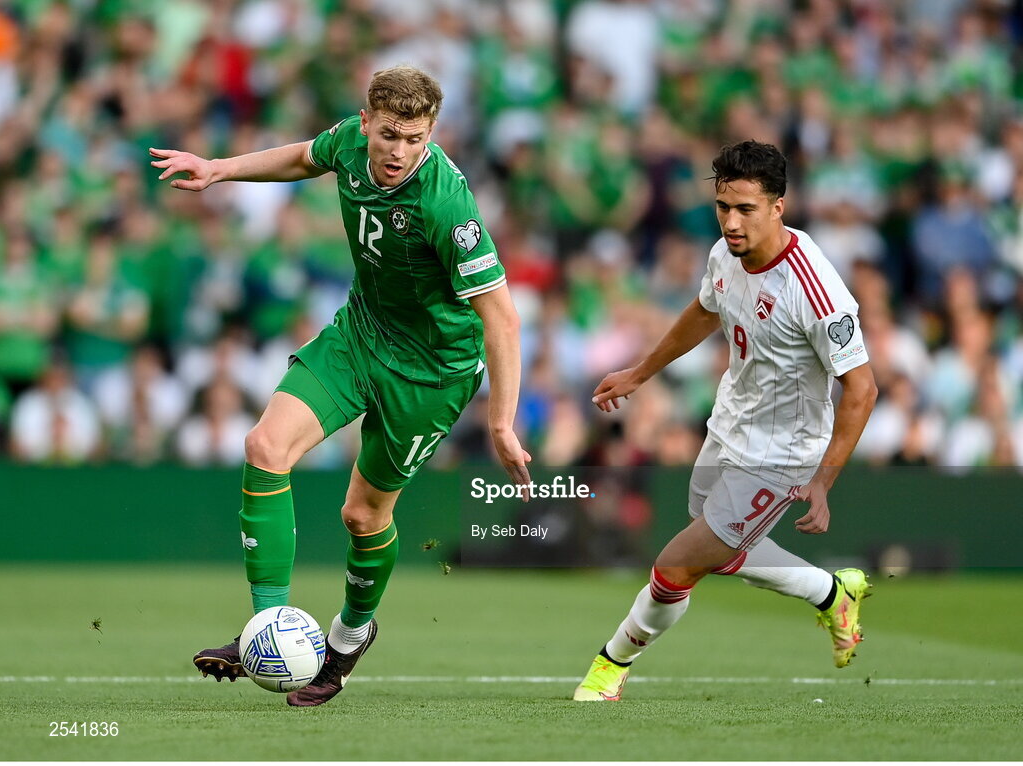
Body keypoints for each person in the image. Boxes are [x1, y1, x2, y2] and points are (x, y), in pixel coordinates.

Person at [151, 65, 530, 707]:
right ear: (366, 122)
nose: (399, 151)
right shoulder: (348, 145)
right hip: (359, 335)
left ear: (431, 132)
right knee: (264, 448)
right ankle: (264, 631)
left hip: (432, 373)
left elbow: (503, 317)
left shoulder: (446, 204)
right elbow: (302, 156)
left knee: (362, 514)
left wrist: (499, 422)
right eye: (389, 135)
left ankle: (350, 637)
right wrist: (220, 167)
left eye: (414, 138)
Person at [573, 140, 878, 701]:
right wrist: (641, 372)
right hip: (729, 424)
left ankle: (608, 668)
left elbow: (862, 389)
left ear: (778, 206)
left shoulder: (816, 292)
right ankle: (833, 595)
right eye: (723, 207)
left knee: (676, 565)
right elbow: (704, 312)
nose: (731, 223)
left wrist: (824, 480)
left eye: (745, 210)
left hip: (784, 450)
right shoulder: (723, 254)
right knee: (723, 550)